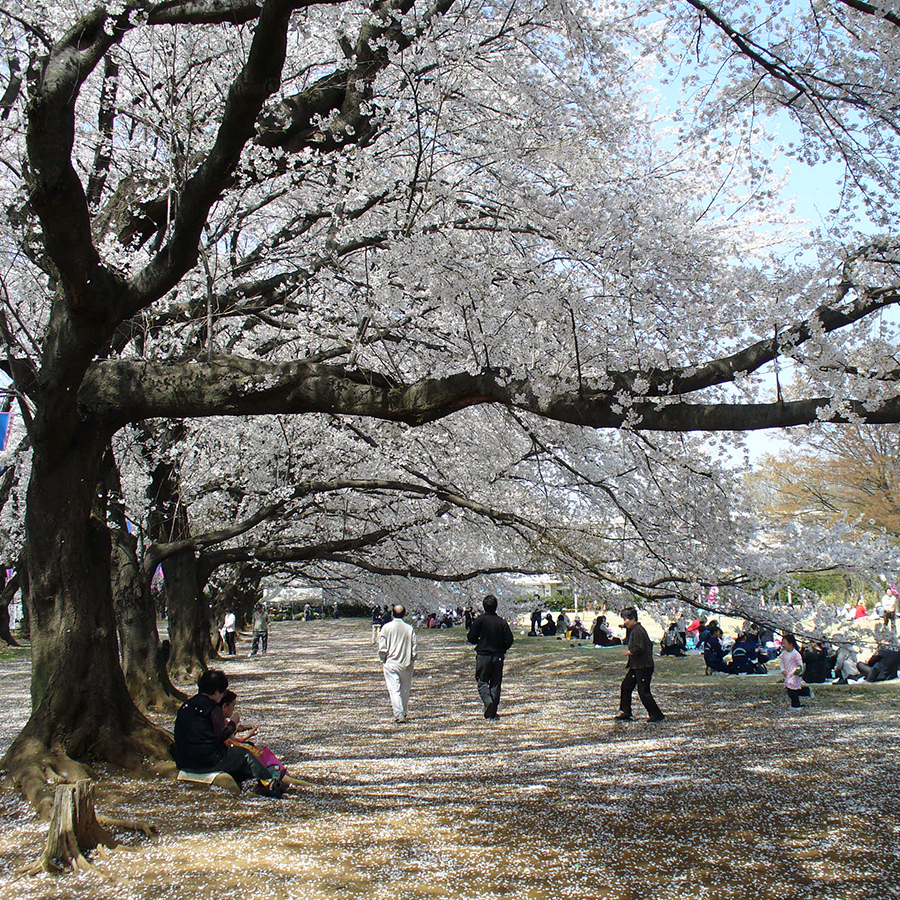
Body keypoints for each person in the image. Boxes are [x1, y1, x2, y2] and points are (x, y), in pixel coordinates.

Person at [173, 669, 283, 793]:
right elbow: (223, 734)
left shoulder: (186, 705)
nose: (222, 696)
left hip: (183, 759)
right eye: (223, 692)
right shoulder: (213, 707)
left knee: (236, 756)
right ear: (216, 691)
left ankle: (253, 782)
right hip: (207, 760)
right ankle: (269, 781)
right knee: (244, 755)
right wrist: (233, 723)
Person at [466, 594, 514, 719]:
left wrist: (479, 641)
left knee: (482, 680)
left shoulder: (480, 621)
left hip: (483, 655)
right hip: (498, 655)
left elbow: (471, 638)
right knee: (496, 682)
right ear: (496, 606)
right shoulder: (501, 622)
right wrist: (502, 648)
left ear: (484, 606)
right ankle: (493, 711)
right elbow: (509, 639)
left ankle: (488, 702)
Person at [614, 607, 664, 722]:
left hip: (643, 666)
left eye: (626, 619)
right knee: (626, 686)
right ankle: (626, 712)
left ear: (633, 619)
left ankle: (656, 715)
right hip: (636, 666)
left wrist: (629, 652)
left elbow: (639, 647)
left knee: (643, 691)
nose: (625, 622)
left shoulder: (638, 630)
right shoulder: (634, 630)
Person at [378, 604, 417, 723]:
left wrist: (383, 658)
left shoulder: (386, 628)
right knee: (405, 689)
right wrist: (412, 659)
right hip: (406, 663)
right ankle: (403, 711)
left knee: (394, 689)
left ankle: (399, 713)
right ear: (404, 614)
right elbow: (414, 649)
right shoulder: (409, 629)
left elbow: (382, 648)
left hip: (391, 662)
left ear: (392, 614)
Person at [780, 633, 812, 709]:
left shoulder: (796, 654)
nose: (783, 645)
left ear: (791, 644)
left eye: (784, 643)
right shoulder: (784, 653)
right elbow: (782, 663)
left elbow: (800, 665)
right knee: (791, 690)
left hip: (795, 675)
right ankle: (806, 691)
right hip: (787, 675)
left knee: (792, 691)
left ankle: (796, 705)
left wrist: (798, 672)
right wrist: (782, 670)